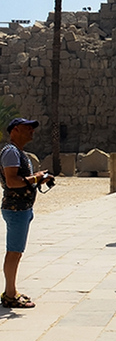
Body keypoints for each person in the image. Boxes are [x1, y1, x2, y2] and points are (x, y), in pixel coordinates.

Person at [1, 118, 54, 309]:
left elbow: (21, 180)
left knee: (16, 251)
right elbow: (12, 181)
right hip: (16, 209)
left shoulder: (18, 152)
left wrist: (39, 180)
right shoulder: (11, 152)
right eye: (27, 128)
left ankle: (11, 290)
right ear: (15, 130)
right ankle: (9, 294)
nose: (32, 131)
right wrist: (36, 177)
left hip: (21, 208)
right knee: (14, 252)